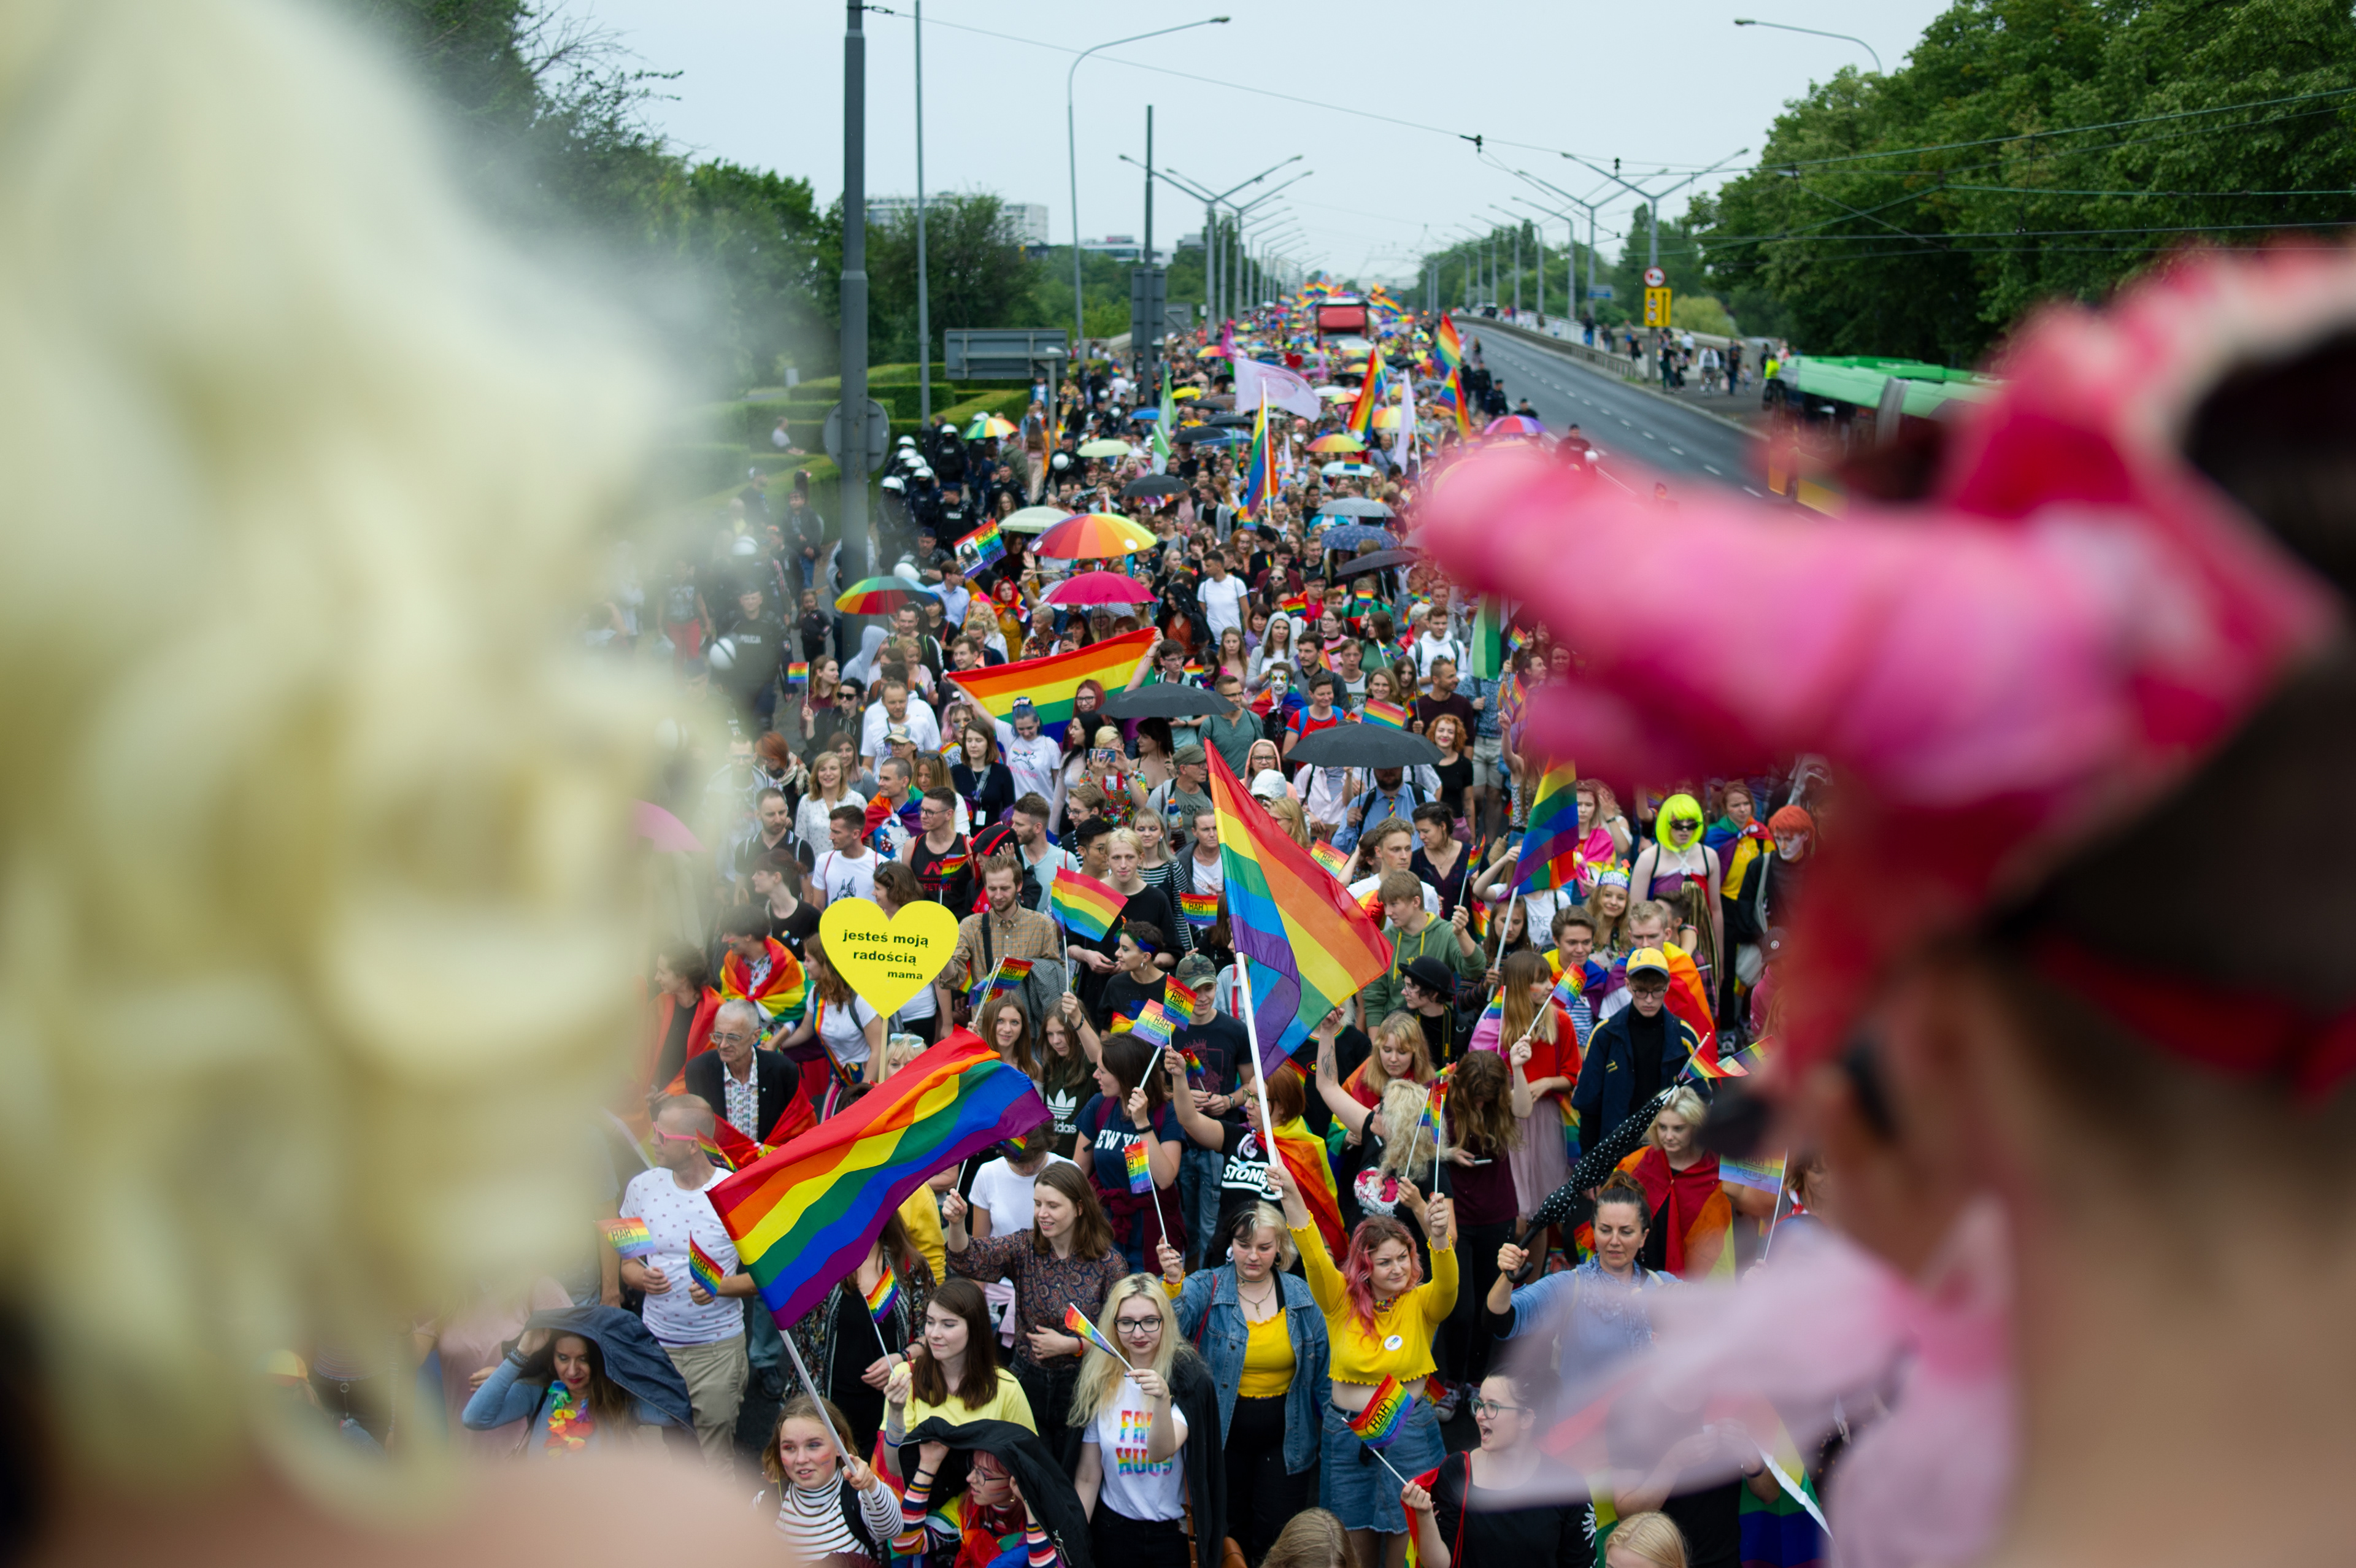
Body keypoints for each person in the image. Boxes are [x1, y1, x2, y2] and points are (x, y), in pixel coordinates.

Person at [1269, 1156, 1456, 1568]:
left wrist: (1438, 1239)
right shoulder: (1339, 1301)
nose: (1396, 1269)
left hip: (1408, 1431)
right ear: (1364, 1265)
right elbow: (1314, 1254)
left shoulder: (1423, 1302)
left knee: (1407, 1550)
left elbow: (1447, 1284)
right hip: (1346, 1434)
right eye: (1383, 1262)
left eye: (1402, 1258)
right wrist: (1293, 1195)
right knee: (1348, 1550)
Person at [1160, 1202, 1331, 1568]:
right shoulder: (1206, 1285)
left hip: (1287, 1437)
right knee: (1226, 1530)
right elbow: (1172, 1329)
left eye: (1264, 1247)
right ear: (1230, 1243)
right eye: (1243, 1244)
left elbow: (1324, 1376)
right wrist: (1173, 1284)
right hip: (1222, 1435)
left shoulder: (1301, 1297)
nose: (1252, 1256)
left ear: (1281, 1250)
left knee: (1277, 1535)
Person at [942, 1161, 1128, 1467]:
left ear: (1080, 1207)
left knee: (1070, 1473)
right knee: (1028, 1473)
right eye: (1038, 1203)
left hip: (1084, 1386)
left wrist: (1074, 1346)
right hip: (1028, 1381)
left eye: (1053, 1205)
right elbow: (969, 1260)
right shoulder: (1025, 1246)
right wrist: (958, 1223)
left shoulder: (1110, 1264)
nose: (1042, 1213)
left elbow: (1122, 1339)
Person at [618, 1096, 756, 1467]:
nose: (653, 1141)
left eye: (662, 1135)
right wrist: (640, 1277)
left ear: (693, 1144)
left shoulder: (736, 1193)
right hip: (655, 1348)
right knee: (657, 1460)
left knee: (713, 1464)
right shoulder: (642, 1187)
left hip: (716, 1354)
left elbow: (767, 1279)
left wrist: (720, 1286)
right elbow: (627, 1264)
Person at [1070, 1276, 1225, 1568]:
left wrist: (1162, 1399)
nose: (1138, 1333)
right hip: (1113, 1531)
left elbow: (1160, 1451)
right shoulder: (1099, 1381)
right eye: (1126, 1322)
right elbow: (1089, 1476)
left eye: (1149, 1321)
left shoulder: (1187, 1379)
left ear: (1165, 1322)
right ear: (1113, 1326)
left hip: (1171, 1535)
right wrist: (1075, 1540)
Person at [1487, 1172, 1673, 1372]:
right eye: (1605, 1230)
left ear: (1643, 1237)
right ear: (1593, 1230)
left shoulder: (1665, 1288)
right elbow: (1500, 1322)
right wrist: (1507, 1276)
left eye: (1626, 1232)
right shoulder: (1568, 1287)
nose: (1615, 1241)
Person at [1399, 1370, 1588, 1568]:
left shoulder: (1568, 1487)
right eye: (1479, 1404)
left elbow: (1580, 1562)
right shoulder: (1457, 1471)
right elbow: (1440, 1565)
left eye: (1492, 1407)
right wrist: (1424, 1514)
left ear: (1526, 1418)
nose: (1479, 1415)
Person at [785, 1215, 936, 1456]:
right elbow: (806, 1347)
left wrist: (902, 1358)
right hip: (831, 1407)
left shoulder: (910, 1265)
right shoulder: (820, 1264)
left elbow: (932, 1335)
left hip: (892, 1406)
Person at [460, 1308, 688, 1454]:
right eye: (563, 1358)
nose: (572, 1370)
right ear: (552, 1358)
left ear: (598, 1361)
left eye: (583, 1359)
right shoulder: (537, 1393)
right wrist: (522, 1352)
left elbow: (672, 1413)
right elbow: (474, 1418)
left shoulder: (619, 1400)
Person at [883, 1278, 1037, 1477]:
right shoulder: (906, 1374)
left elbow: (1028, 1466)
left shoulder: (1007, 1387)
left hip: (984, 1505)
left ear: (974, 1328)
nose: (934, 1334)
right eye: (930, 1322)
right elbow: (896, 1469)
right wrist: (896, 1412)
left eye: (948, 1325)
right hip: (924, 1504)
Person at [1471, 950, 1578, 1220]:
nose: (1550, 986)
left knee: (1541, 1208)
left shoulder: (1560, 1022)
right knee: (1513, 1208)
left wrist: (1546, 1083)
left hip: (1543, 1119)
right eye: (1540, 981)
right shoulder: (1495, 1025)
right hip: (1505, 1120)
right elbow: (1478, 1079)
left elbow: (1573, 1075)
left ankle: (1540, 1262)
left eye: (1549, 979)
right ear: (1519, 986)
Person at [1072, 1031, 1186, 1269]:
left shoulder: (1166, 1113)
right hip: (1106, 1230)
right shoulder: (1099, 1106)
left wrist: (1142, 1124)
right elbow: (1078, 1170)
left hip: (1151, 1236)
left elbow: (1165, 1179)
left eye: (1103, 1071)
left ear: (1125, 1075)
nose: (1096, 1076)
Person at [1571, 950, 1700, 1158]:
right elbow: (1589, 1106)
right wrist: (1589, 1165)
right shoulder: (1605, 1035)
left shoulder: (1684, 1036)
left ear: (1667, 985)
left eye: (1657, 991)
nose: (1649, 1000)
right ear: (1628, 985)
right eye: (1641, 991)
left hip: (1668, 1151)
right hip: (1615, 1153)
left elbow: (1700, 1099)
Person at [763, 1394, 901, 1566]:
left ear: (839, 1445)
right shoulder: (764, 1503)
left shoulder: (860, 1497)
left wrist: (871, 1485)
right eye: (789, 1448)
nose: (801, 1459)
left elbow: (893, 1529)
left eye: (813, 1445)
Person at [770, 929, 887, 1111]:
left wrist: (864, 1092)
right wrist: (775, 1045)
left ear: (825, 963)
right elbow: (805, 1031)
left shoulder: (860, 999)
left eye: (808, 959)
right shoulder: (817, 993)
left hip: (869, 1079)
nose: (804, 964)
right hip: (839, 1080)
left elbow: (878, 1049)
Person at [683, 997, 815, 1145]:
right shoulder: (699, 1071)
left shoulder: (783, 1071)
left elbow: (797, 1128)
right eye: (718, 1036)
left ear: (755, 1036)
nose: (723, 1045)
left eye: (733, 1038)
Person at [968, 1125, 1073, 1239]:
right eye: (1019, 1162)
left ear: (1047, 1147)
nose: (1029, 1169)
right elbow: (981, 1244)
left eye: (1035, 1160)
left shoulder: (1070, 1171)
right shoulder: (988, 1173)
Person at [815, 801, 882, 907]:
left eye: (836, 832)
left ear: (855, 834)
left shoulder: (880, 864)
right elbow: (818, 907)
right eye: (831, 831)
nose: (831, 837)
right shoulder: (824, 861)